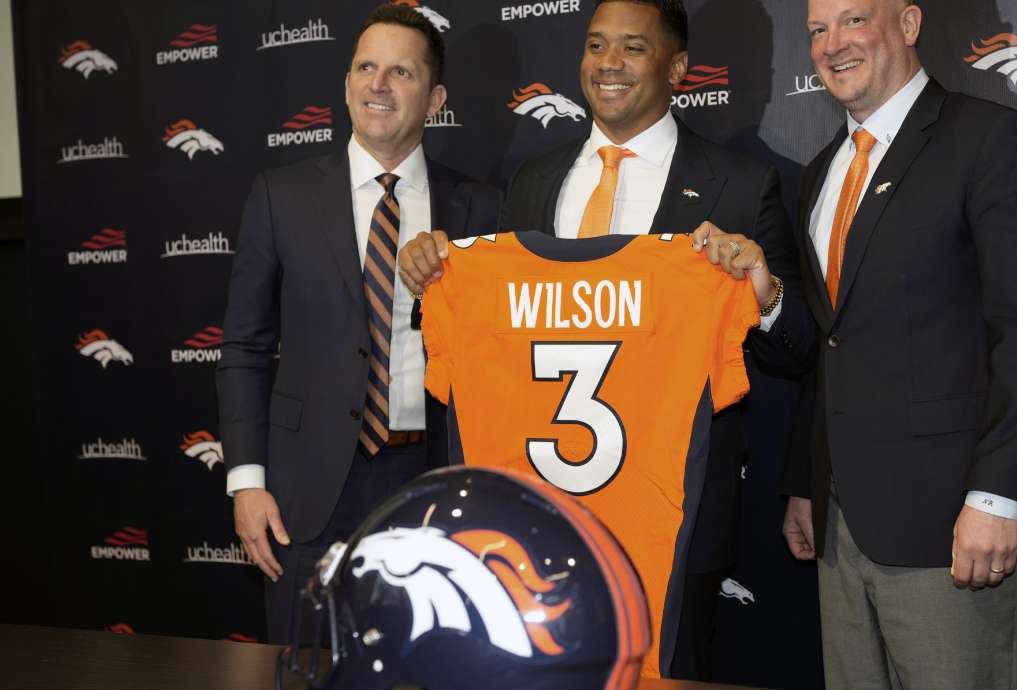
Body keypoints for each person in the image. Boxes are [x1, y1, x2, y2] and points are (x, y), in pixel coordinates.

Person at [398, 0, 795, 679]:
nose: (608, 64)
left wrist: (761, 292)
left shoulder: (742, 181)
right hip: (536, 527)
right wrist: (430, 275)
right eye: (595, 45)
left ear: (677, 67)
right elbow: (496, 336)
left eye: (633, 48)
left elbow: (798, 349)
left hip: (673, 522)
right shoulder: (533, 179)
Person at [768, 0, 1017, 687]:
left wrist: (999, 495)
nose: (831, 45)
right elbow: (834, 342)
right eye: (817, 30)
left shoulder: (993, 141)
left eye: (853, 21)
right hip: (843, 528)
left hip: (956, 530)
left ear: (908, 25)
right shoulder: (821, 172)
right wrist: (804, 482)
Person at [216, 4, 500, 645]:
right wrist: (247, 484)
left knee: (431, 666)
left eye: (401, 72)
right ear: (345, 84)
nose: (379, 84)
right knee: (311, 671)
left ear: (435, 98)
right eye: (366, 68)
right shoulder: (279, 194)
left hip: (431, 486)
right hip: (304, 494)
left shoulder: (482, 207)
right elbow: (244, 348)